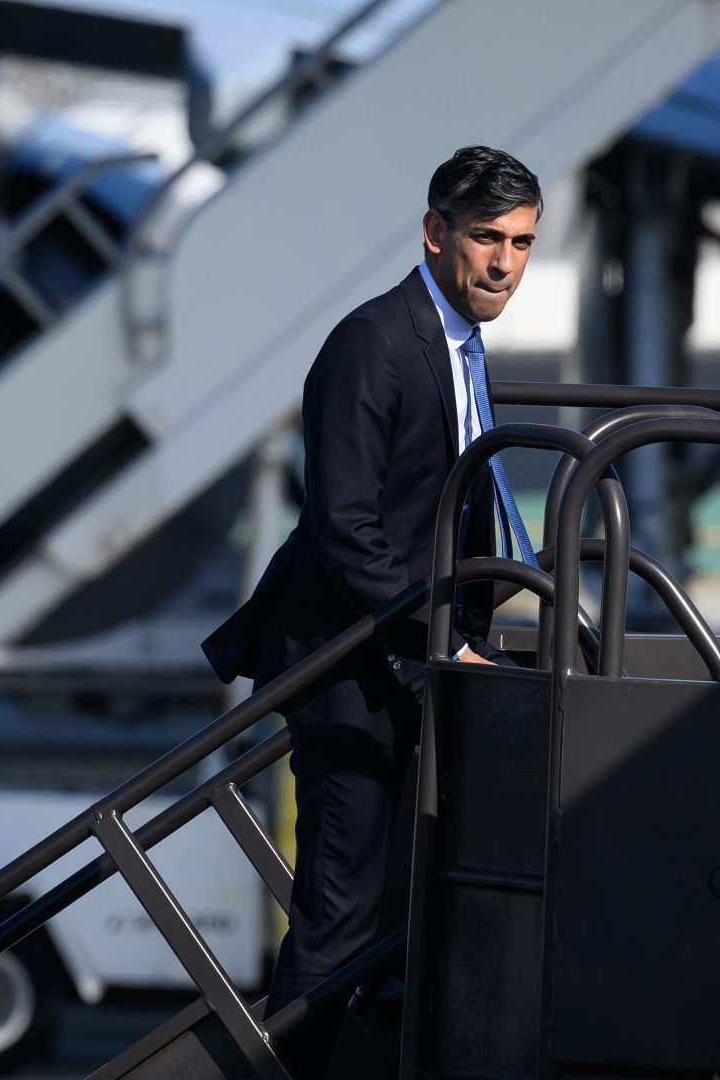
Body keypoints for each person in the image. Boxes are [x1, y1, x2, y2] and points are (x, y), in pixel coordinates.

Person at [202, 145, 543, 1015]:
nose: (504, 263)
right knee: (340, 923)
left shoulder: (458, 341)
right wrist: (444, 641)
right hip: (353, 667)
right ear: (434, 233)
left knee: (401, 916)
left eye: (522, 242)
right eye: (485, 238)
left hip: (414, 659)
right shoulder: (373, 344)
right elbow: (344, 528)